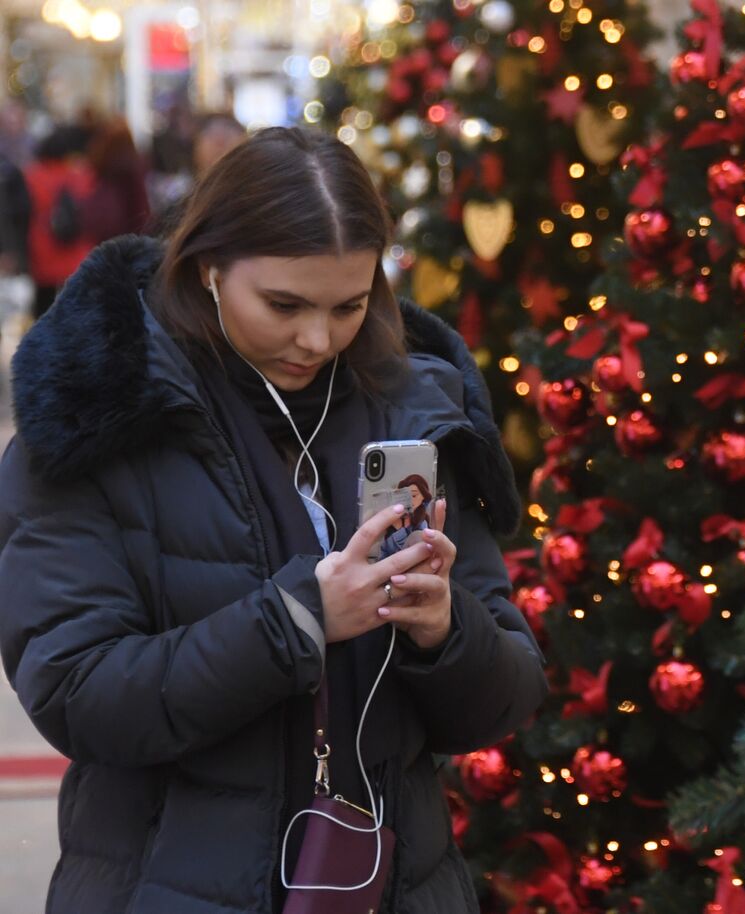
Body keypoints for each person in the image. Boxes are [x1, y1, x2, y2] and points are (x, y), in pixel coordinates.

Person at [0, 127, 546, 913]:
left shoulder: (416, 411)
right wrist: (298, 620)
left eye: (348, 306)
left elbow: (509, 694)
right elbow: (78, 695)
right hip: (167, 884)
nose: (316, 339)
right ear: (210, 267)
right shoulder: (101, 411)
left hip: (392, 885)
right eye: (284, 305)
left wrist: (443, 631)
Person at [23, 124, 95, 321]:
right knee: (72, 308)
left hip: (43, 245)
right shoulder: (82, 176)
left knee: (42, 305)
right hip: (74, 250)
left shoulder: (33, 176)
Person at [83, 117, 151, 241]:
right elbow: (141, 213)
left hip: (103, 239)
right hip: (127, 240)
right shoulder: (134, 170)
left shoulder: (100, 167)